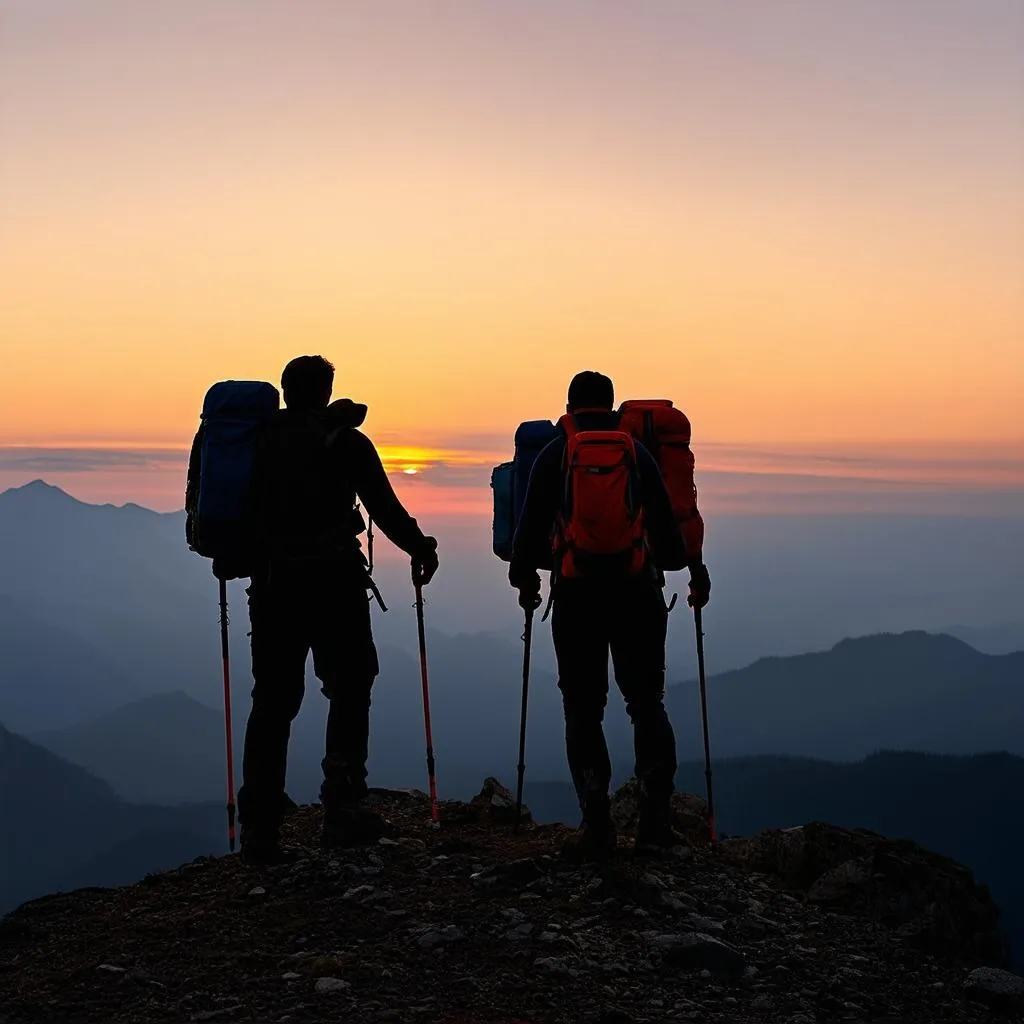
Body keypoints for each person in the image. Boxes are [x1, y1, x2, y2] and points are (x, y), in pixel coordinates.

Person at [234, 355, 439, 865]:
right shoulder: (345, 441)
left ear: (285, 392)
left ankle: (260, 829)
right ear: (326, 391)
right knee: (350, 687)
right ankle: (342, 810)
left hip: (273, 585)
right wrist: (421, 547)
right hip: (334, 584)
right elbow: (384, 508)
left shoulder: (257, 440)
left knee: (273, 701)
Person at [508, 371, 711, 859]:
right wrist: (694, 569)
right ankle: (655, 826)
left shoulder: (555, 455)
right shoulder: (638, 455)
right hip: (638, 596)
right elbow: (671, 538)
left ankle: (596, 827)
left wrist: (529, 580)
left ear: (569, 406)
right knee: (646, 703)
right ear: (613, 406)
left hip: (577, 599)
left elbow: (526, 539)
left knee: (582, 708)